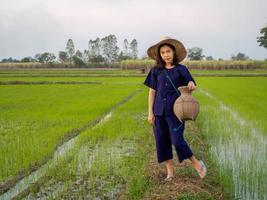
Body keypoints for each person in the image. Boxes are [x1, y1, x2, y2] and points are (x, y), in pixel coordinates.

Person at [143, 36, 207, 181]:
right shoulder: (156, 71)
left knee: (177, 141)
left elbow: (191, 83)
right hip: (158, 112)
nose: (166, 55)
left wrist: (191, 83)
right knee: (162, 141)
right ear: (160, 55)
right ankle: (170, 173)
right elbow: (152, 92)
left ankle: (196, 163)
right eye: (163, 52)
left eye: (168, 51)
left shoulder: (181, 70)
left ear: (174, 52)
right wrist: (150, 112)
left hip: (176, 112)